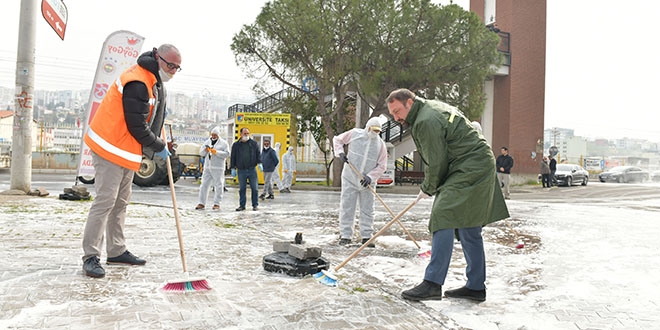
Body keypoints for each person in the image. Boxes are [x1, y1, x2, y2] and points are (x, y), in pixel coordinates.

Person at [386, 88, 509, 302]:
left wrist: (428, 187)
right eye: (393, 114)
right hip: (476, 163)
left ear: (410, 103)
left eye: (398, 111)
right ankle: (475, 287)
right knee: (469, 226)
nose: (396, 118)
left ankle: (433, 283)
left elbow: (437, 161)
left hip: (470, 166)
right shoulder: (429, 110)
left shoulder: (425, 120)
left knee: (442, 216)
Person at [81, 44, 182, 278]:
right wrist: (158, 146)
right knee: (105, 201)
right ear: (158, 58)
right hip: (109, 146)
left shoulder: (152, 80)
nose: (173, 71)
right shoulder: (137, 81)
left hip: (125, 149)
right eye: (170, 65)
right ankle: (90, 256)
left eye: (178, 67)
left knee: (121, 202)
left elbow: (143, 117)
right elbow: (136, 126)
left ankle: (116, 250)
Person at [333, 117, 387, 247]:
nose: (374, 133)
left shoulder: (380, 144)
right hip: (350, 177)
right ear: (368, 127)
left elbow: (382, 165)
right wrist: (340, 153)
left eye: (377, 131)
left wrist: (370, 176)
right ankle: (345, 235)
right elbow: (338, 140)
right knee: (347, 207)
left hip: (367, 183)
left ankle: (367, 236)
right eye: (373, 130)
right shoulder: (355, 134)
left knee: (367, 209)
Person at [196, 126, 230, 210]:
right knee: (204, 185)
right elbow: (201, 153)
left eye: (215, 135)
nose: (213, 136)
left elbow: (227, 154)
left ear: (218, 135)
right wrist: (206, 150)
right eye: (212, 135)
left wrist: (216, 152)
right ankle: (201, 203)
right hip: (208, 167)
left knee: (219, 185)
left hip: (218, 167)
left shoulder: (224, 143)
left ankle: (217, 203)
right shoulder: (207, 141)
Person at [230, 127, 262, 211]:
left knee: (254, 188)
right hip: (241, 170)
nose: (246, 135)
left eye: (248, 133)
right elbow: (233, 157)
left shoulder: (253, 143)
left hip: (252, 169)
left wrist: (259, 163)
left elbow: (258, 154)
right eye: (244, 133)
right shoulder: (236, 145)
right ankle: (242, 205)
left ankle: (255, 205)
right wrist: (233, 167)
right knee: (242, 188)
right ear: (240, 134)